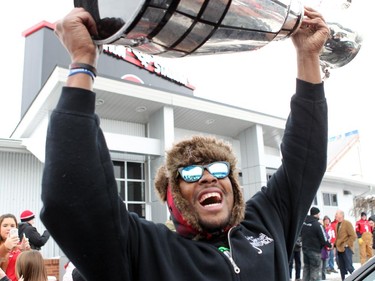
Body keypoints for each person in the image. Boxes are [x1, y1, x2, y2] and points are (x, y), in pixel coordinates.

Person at [39, 6, 330, 281]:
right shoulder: (144, 249)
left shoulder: (266, 220)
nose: (207, 177)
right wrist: (83, 61)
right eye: (189, 174)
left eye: (218, 169)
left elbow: (305, 156)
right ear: (172, 196)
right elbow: (72, 198)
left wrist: (307, 56)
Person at [301, 207, 331, 281]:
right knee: (315, 272)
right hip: (315, 251)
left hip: (305, 250)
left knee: (306, 270)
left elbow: (300, 234)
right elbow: (323, 238)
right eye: (319, 213)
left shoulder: (304, 223)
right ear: (316, 214)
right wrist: (329, 245)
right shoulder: (317, 225)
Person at [0, 214, 31, 281]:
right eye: (5, 226)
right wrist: (5, 247)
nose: (9, 228)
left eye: (12, 226)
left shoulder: (19, 246)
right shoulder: (3, 247)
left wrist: (25, 251)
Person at [335, 210, 356, 281]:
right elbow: (338, 237)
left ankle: (356, 277)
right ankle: (344, 279)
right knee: (342, 268)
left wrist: (346, 244)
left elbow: (353, 236)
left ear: (341, 215)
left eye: (336, 214)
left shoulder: (347, 223)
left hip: (346, 249)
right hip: (339, 249)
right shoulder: (337, 224)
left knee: (349, 266)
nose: (335, 216)